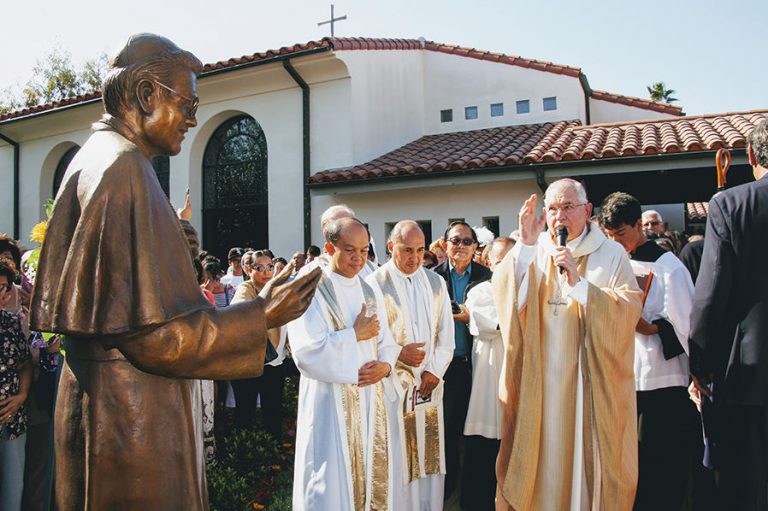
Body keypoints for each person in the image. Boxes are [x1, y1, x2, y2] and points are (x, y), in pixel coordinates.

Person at [28, 33, 321, 510]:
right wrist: (262, 314)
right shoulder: (124, 168)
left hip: (100, 406)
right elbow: (151, 338)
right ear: (146, 96)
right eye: (186, 102)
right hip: (130, 418)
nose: (192, 117)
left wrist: (172, 245)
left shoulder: (94, 156)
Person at [493, 178, 642, 510]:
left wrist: (582, 287)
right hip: (540, 384)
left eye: (568, 207)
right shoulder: (532, 249)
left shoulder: (611, 253)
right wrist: (526, 247)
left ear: (588, 211)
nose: (559, 216)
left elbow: (628, 310)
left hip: (589, 386)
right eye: (553, 209)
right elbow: (506, 302)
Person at [287, 217, 401, 510]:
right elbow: (306, 352)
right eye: (350, 249)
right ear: (329, 247)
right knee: (330, 484)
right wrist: (354, 335)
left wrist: (386, 366)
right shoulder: (309, 290)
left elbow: (387, 341)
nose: (358, 258)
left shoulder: (369, 288)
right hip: (330, 404)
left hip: (369, 400)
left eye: (364, 250)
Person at [689, 118, 768, 509]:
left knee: (749, 484)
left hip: (750, 371)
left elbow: (711, 293)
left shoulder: (731, 204)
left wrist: (699, 362)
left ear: (751, 156)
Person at [599, 192, 695, 510]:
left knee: (661, 461)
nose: (616, 243)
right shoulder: (614, 265)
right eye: (610, 236)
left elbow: (687, 321)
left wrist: (651, 328)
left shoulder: (669, 267)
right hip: (623, 378)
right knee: (630, 462)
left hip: (662, 381)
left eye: (621, 234)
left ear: (640, 225)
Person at [366, 220, 454, 510]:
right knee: (399, 457)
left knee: (427, 457)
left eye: (419, 250)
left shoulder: (435, 282)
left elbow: (446, 336)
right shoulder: (374, 285)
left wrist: (434, 372)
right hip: (392, 387)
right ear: (391, 247)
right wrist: (398, 353)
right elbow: (370, 338)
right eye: (406, 250)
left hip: (428, 387)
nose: (414, 258)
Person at [432, 221, 492, 498]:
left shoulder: (487, 276)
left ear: (475, 246)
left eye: (468, 241)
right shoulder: (432, 278)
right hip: (446, 366)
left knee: (476, 430)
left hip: (479, 363)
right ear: (446, 245)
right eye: (456, 240)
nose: (462, 246)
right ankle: (447, 489)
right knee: (446, 429)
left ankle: (474, 490)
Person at [462, 236, 515, 510]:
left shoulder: (526, 289)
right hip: (488, 379)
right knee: (484, 450)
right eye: (501, 261)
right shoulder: (480, 291)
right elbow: (493, 325)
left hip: (516, 379)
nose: (507, 266)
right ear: (489, 262)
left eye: (512, 260)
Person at [230, 250, 288, 439]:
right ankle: (244, 459)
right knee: (245, 413)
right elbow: (242, 311)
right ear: (248, 269)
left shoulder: (275, 288)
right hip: (248, 363)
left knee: (273, 412)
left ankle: (273, 457)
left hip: (274, 362)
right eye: (260, 268)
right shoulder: (245, 289)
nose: (266, 272)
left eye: (270, 267)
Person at [0, 261, 33, 511]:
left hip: (10, 418)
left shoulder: (10, 323)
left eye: (4, 288)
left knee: (13, 488)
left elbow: (24, 365)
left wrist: (22, 395)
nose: (1, 294)